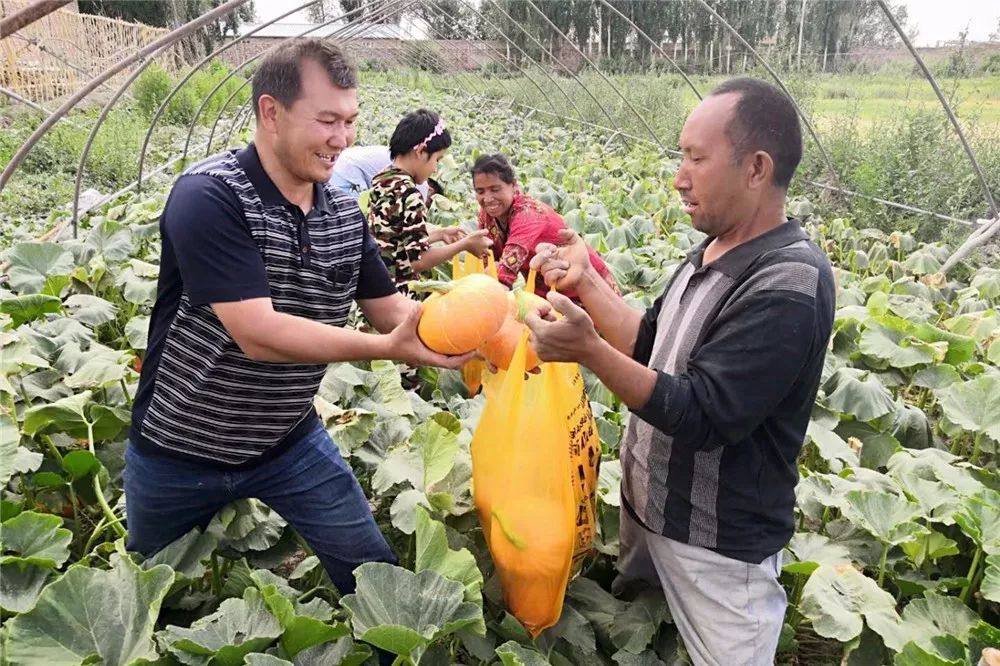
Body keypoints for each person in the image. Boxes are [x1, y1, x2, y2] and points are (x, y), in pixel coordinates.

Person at [123, 39, 474, 606]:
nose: (343, 138)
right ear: (271, 112)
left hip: (287, 442)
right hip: (178, 450)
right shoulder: (209, 197)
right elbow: (258, 334)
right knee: (144, 603)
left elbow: (395, 311)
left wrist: (488, 326)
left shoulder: (340, 216)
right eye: (327, 120)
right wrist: (388, 347)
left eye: (351, 121)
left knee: (376, 581)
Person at [525, 78, 836, 665]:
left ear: (756, 168)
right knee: (645, 638)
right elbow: (650, 341)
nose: (679, 176)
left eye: (696, 157)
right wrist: (588, 282)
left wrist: (589, 351)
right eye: (680, 155)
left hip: (718, 548)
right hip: (651, 511)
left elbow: (703, 414)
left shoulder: (788, 281)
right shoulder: (715, 247)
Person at [367, 110, 492, 293]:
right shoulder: (410, 194)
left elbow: (393, 238)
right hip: (398, 294)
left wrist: (440, 234)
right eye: (437, 160)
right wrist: (463, 245)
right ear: (420, 151)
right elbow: (417, 261)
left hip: (374, 287)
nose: (435, 169)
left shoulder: (383, 178)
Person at [471, 153, 617, 298]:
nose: (488, 198)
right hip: (547, 290)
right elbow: (487, 258)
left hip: (587, 286)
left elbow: (505, 274)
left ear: (513, 185)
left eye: (495, 189)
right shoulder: (487, 214)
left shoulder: (528, 213)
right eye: (480, 191)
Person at [329, 143, 444, 205]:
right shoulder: (421, 187)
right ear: (431, 190)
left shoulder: (404, 158)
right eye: (437, 160)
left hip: (340, 163)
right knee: (356, 227)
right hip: (347, 174)